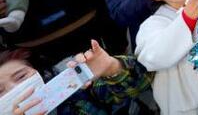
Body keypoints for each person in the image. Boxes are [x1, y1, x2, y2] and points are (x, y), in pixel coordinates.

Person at [0, 41, 151, 114]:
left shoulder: (72, 78)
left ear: (35, 70)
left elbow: (142, 82)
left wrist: (113, 68)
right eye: (0, 91)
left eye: (21, 77)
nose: (16, 88)